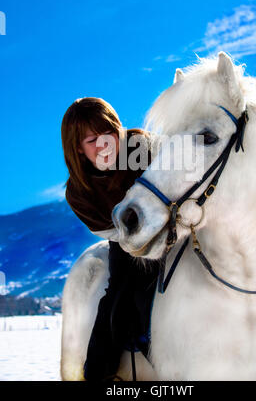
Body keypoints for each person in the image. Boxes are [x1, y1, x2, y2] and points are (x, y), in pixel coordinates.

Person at [61, 97, 160, 381]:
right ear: (78, 150)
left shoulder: (144, 147)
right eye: (92, 140)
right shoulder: (79, 191)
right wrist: (142, 241)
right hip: (127, 246)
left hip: (173, 230)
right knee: (120, 295)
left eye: (109, 133)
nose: (105, 144)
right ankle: (99, 371)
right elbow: (109, 232)